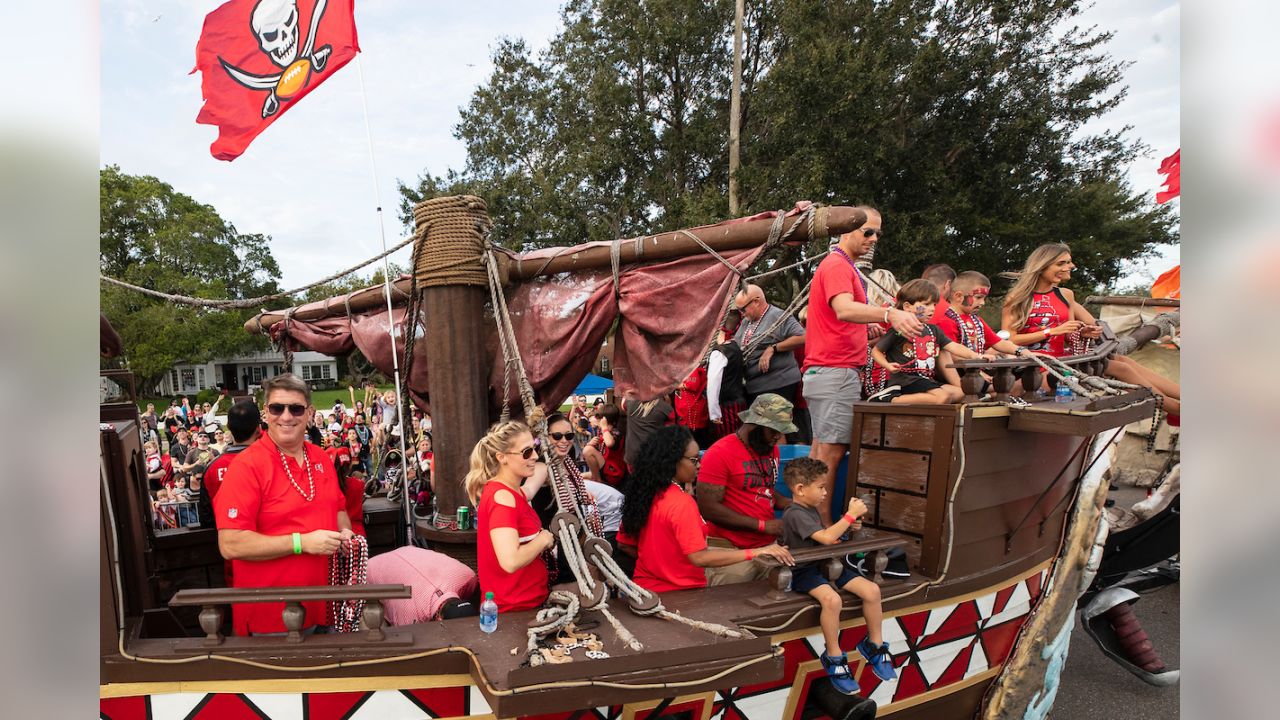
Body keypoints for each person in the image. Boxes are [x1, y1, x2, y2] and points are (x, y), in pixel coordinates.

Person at [803, 207, 924, 523]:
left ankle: (809, 528)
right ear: (845, 230)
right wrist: (889, 314)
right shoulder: (838, 266)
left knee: (818, 456)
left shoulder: (841, 268)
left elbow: (839, 317)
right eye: (867, 232)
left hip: (827, 371)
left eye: (877, 233)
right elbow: (843, 309)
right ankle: (822, 531)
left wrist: (865, 326)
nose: (873, 239)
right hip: (836, 372)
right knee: (829, 456)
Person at [214, 374, 354, 636]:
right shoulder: (246, 466)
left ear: (309, 413)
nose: (286, 416)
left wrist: (345, 533)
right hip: (271, 620)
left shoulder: (321, 458)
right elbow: (230, 544)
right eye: (278, 408)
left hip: (325, 608)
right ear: (266, 413)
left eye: (296, 408)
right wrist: (301, 542)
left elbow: (338, 509)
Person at [1001, 243, 1181, 416]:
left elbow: (1067, 335)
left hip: (1064, 360)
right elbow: (1009, 340)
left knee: (1121, 363)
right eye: (1062, 263)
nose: (1071, 266)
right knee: (1120, 367)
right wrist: (1051, 332)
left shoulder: (1066, 295)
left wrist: (1082, 333)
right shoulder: (1016, 299)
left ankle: (1182, 403)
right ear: (1042, 266)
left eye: (1069, 262)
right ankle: (1176, 408)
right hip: (1033, 365)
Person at [618, 426, 793, 593]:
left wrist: (659, 564)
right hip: (681, 594)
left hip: (646, 589)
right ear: (672, 461)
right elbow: (699, 558)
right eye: (694, 460)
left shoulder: (644, 494)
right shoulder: (681, 503)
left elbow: (625, 545)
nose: (699, 465)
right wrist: (757, 552)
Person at [781, 458, 895, 693]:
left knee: (872, 590)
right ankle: (833, 655)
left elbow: (827, 537)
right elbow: (823, 538)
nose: (825, 492)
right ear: (800, 489)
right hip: (804, 571)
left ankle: (874, 644)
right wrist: (849, 516)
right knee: (833, 600)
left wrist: (849, 529)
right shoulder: (794, 513)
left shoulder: (811, 510)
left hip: (826, 564)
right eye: (821, 487)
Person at [695, 393, 797, 585]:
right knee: (731, 610)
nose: (778, 437)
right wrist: (762, 525)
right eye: (774, 431)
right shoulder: (719, 453)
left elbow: (760, 486)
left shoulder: (769, 448)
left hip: (769, 548)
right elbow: (708, 508)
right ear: (754, 426)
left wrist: (787, 503)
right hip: (732, 553)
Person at [466, 421, 555, 612]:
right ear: (502, 457)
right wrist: (544, 539)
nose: (535, 455)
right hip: (515, 609)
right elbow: (510, 561)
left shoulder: (510, 492)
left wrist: (547, 458)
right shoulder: (503, 500)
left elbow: (532, 484)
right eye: (526, 452)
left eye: (535, 447)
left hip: (525, 603)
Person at [868, 279, 968, 404]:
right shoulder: (899, 330)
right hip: (906, 380)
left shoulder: (934, 330)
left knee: (961, 392)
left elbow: (954, 347)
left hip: (925, 379)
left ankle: (926, 400)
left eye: (934, 305)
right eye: (926, 304)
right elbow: (876, 351)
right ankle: (890, 399)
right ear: (907, 307)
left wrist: (978, 356)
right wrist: (887, 365)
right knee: (942, 398)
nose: (932, 309)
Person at [733, 284, 807, 407]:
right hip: (753, 386)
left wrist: (773, 348)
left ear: (756, 302)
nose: (741, 314)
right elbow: (737, 344)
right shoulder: (747, 322)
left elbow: (803, 337)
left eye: (743, 309)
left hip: (777, 384)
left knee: (764, 424)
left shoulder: (777, 316)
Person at [200, 400, 262, 540]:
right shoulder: (269, 463)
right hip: (266, 546)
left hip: (226, 544)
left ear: (228, 427)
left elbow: (206, 517)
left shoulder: (212, 468)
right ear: (258, 429)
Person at [707, 310, 749, 440]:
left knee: (728, 442)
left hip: (726, 408)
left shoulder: (719, 352)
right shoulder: (735, 347)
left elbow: (713, 384)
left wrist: (714, 413)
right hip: (739, 402)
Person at [623, 395, 674, 469]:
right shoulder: (666, 409)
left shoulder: (629, 402)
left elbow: (623, 405)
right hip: (655, 458)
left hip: (633, 457)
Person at [582, 403, 627, 488]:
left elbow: (610, 443)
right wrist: (590, 444)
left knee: (587, 450)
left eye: (600, 421)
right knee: (580, 476)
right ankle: (597, 479)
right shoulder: (604, 433)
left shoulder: (615, 432)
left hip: (613, 472)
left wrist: (604, 427)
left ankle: (598, 482)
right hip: (605, 470)